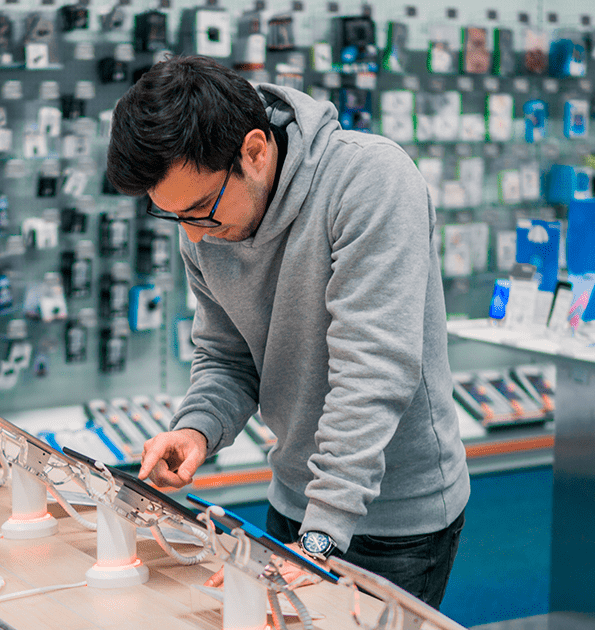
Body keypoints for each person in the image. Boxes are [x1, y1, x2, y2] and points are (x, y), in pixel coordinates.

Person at [105, 55, 470, 609]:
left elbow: (372, 373)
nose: (193, 237)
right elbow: (228, 358)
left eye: (199, 210)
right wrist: (197, 429)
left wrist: (320, 537)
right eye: (173, 216)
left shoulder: (370, 179)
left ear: (253, 151)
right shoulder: (204, 223)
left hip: (395, 518)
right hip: (298, 501)